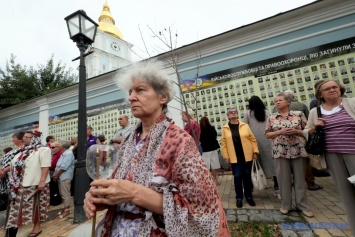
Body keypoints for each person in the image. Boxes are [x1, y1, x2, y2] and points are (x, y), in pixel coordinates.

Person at [83, 60, 229, 236]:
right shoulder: (128, 141)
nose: (131, 97)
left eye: (140, 90)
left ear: (163, 97)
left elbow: (199, 208)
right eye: (130, 92)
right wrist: (103, 199)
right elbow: (118, 191)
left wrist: (134, 193)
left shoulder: (180, 141)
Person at [304, 79, 355, 236]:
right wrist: (314, 127)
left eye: (335, 87)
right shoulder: (315, 112)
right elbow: (305, 132)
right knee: (347, 196)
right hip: (333, 158)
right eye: (327, 89)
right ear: (320, 94)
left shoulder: (351, 103)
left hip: (353, 154)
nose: (332, 90)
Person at [265, 92, 313, 218]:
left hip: (298, 150)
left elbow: (308, 130)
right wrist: (280, 131)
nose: (277, 102)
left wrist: (297, 131)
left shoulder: (298, 114)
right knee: (283, 179)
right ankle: (286, 205)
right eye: (276, 101)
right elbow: (267, 135)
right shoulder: (272, 117)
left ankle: (302, 205)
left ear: (288, 102)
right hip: (280, 151)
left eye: (280, 100)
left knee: (300, 179)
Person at [5, 130, 51, 237]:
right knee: (20, 207)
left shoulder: (43, 150)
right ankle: (20, 226)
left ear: (34, 138)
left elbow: (45, 166)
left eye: (27, 137)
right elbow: (14, 165)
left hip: (35, 183)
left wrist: (42, 181)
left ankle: (37, 227)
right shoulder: (23, 151)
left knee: (37, 205)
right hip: (20, 184)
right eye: (24, 137)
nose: (24, 139)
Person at [221, 107, 259, 208]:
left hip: (247, 156)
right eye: (231, 112)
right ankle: (239, 198)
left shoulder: (245, 125)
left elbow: (252, 139)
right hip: (234, 157)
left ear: (237, 114)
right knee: (237, 177)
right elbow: (223, 144)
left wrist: (255, 151)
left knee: (247, 177)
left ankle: (249, 197)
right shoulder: (225, 128)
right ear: (228, 116)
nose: (233, 113)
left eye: (235, 112)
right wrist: (226, 156)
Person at [243, 96, 278, 196]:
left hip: (254, 141)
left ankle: (251, 189)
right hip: (267, 140)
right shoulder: (266, 112)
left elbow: (245, 127)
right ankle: (277, 188)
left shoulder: (248, 114)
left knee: (254, 164)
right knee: (272, 164)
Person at [53, 140, 75, 219]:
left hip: (65, 176)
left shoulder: (68, 154)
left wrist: (56, 175)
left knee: (65, 193)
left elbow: (64, 167)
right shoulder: (64, 154)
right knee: (63, 193)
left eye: (59, 144)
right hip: (61, 176)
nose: (57, 145)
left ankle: (67, 209)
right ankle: (65, 207)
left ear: (62, 146)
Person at [0, 132, 25, 200]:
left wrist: (4, 171)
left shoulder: (24, 150)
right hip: (7, 177)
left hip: (15, 178)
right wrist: (1, 169)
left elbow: (16, 162)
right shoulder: (14, 150)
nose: (12, 139)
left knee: (17, 197)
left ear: (20, 139)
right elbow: (2, 161)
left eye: (14, 138)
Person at [199, 116, 221, 184]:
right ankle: (215, 180)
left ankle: (208, 181)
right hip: (213, 148)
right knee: (214, 165)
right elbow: (215, 136)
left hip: (205, 150)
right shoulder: (212, 128)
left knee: (206, 166)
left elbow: (199, 139)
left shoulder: (200, 130)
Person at [49, 141, 63, 206]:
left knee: (55, 188)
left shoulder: (59, 154)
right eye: (50, 147)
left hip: (55, 173)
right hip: (51, 173)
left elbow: (54, 164)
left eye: (52, 147)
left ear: (58, 147)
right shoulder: (52, 154)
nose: (51, 149)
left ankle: (56, 201)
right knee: (52, 188)